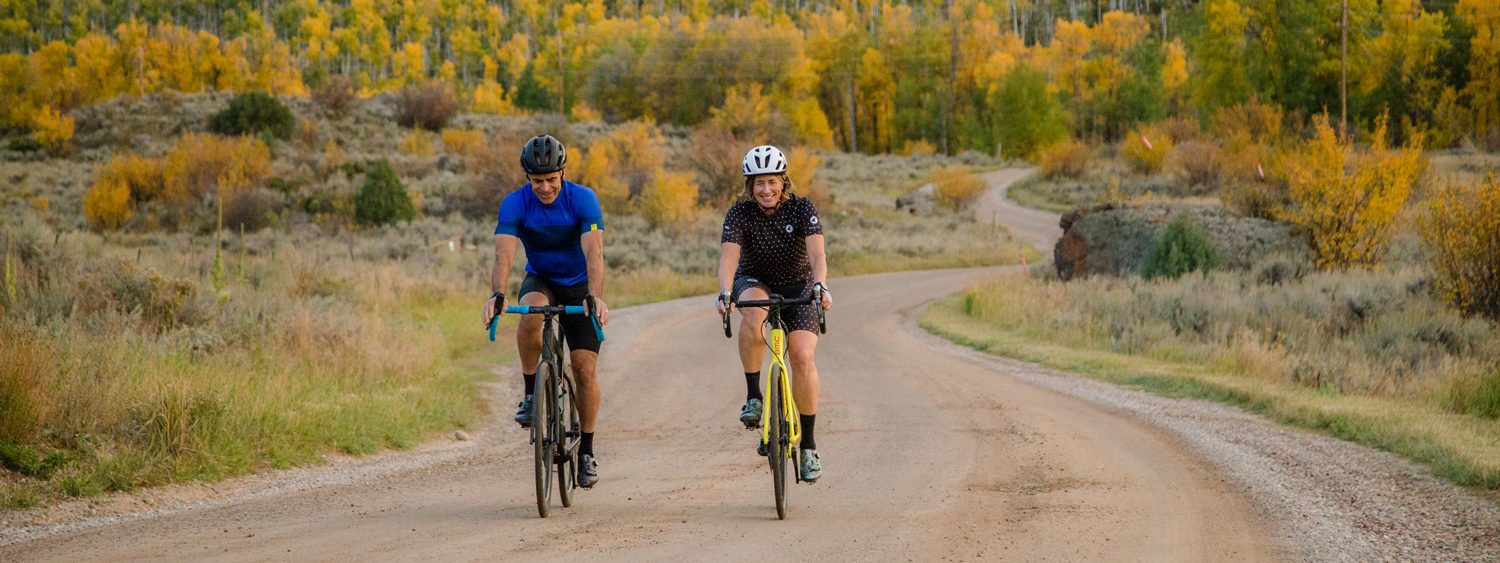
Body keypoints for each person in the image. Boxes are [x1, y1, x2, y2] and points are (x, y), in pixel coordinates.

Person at [482, 134, 611, 488]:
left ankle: (586, 450)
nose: (544, 188)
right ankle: (530, 394)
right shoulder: (515, 203)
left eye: (551, 180)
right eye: (537, 181)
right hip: (541, 279)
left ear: (563, 173)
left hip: (580, 284)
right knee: (531, 313)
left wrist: (595, 297)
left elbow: (594, 254)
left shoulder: (582, 199)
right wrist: (497, 293)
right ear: (527, 178)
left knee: (584, 368)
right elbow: (504, 253)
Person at [715, 145, 832, 483]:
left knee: (802, 357)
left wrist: (820, 286)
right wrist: (725, 292)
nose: (766, 190)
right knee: (754, 313)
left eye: (772, 182)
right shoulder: (739, 213)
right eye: (758, 184)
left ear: (784, 181)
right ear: (749, 187)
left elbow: (817, 254)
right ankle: (754, 396)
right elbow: (728, 259)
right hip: (755, 281)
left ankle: (808, 446)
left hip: (799, 285)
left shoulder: (802, 209)